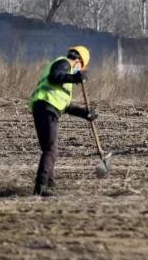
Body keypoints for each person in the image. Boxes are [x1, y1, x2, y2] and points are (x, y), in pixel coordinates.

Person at [28, 45, 97, 196]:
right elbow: (54, 76)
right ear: (78, 61)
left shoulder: (65, 72)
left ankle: (49, 184)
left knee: (50, 149)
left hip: (46, 107)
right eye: (81, 67)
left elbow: (65, 106)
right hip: (47, 106)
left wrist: (85, 114)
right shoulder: (65, 63)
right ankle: (41, 187)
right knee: (50, 149)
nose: (79, 70)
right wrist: (75, 78)